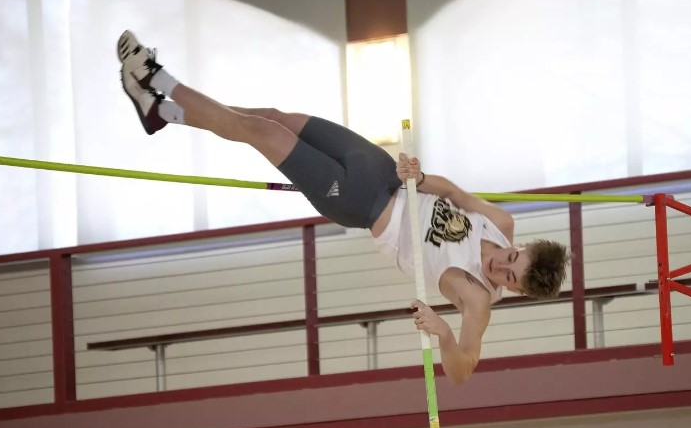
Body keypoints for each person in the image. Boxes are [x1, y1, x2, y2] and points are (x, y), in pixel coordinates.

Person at [116, 30, 569, 385]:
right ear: (521, 245)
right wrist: (421, 177)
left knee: (259, 132)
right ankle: (161, 114)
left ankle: (157, 77)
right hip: (381, 169)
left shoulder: (476, 301)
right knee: (273, 117)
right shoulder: (502, 222)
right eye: (512, 257)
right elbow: (456, 194)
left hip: (364, 204)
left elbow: (463, 370)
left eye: (510, 277)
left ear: (519, 290)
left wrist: (444, 332)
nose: (500, 266)